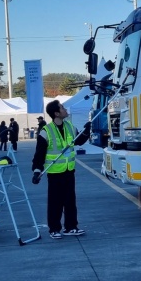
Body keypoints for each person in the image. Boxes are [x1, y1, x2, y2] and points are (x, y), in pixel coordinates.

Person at [31, 100, 91, 239]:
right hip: (54, 172)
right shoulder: (46, 131)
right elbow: (39, 155)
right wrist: (36, 172)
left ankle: (71, 227)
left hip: (69, 170)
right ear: (56, 113)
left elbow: (79, 141)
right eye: (62, 108)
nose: (65, 109)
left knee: (70, 200)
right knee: (55, 202)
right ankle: (54, 229)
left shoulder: (70, 126)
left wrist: (86, 131)